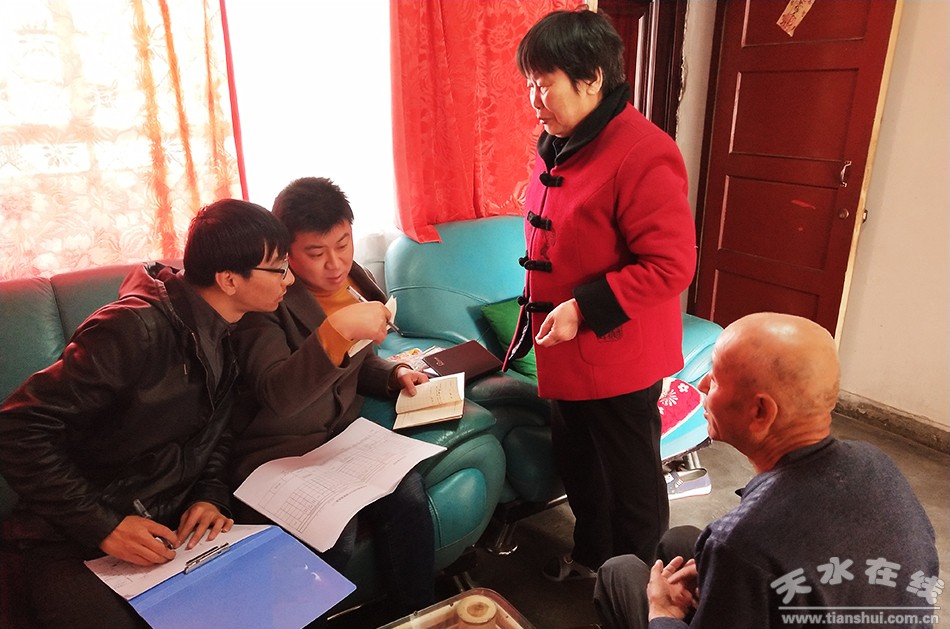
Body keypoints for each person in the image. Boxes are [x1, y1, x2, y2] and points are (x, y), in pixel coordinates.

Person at [0, 199, 293, 628]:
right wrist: (104, 526)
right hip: (69, 532)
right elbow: (16, 427)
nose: (290, 278)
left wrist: (209, 494)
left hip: (164, 522)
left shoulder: (225, 327)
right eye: (279, 268)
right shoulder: (131, 329)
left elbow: (215, 429)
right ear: (229, 279)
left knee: (277, 595)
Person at [504, 8, 697, 581]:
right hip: (564, 347)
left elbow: (671, 263)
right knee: (580, 466)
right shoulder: (559, 141)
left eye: (545, 84)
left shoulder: (643, 151)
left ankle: (641, 591)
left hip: (617, 354)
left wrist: (583, 308)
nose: (534, 100)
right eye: (529, 84)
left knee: (631, 484)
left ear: (591, 78)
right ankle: (592, 559)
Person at [594, 312, 941, 629]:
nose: (702, 385)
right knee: (681, 541)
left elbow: (753, 548)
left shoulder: (742, 541)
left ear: (761, 411)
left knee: (620, 572)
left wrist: (663, 612)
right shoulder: (877, 463)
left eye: (716, 379)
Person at [229, 176, 436, 617]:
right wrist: (336, 330)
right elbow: (278, 394)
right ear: (286, 253)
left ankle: (419, 616)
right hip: (278, 452)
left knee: (409, 497)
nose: (335, 263)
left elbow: (354, 363)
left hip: (342, 440)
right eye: (316, 253)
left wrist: (394, 372)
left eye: (343, 244)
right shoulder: (266, 299)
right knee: (333, 536)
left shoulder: (355, 282)